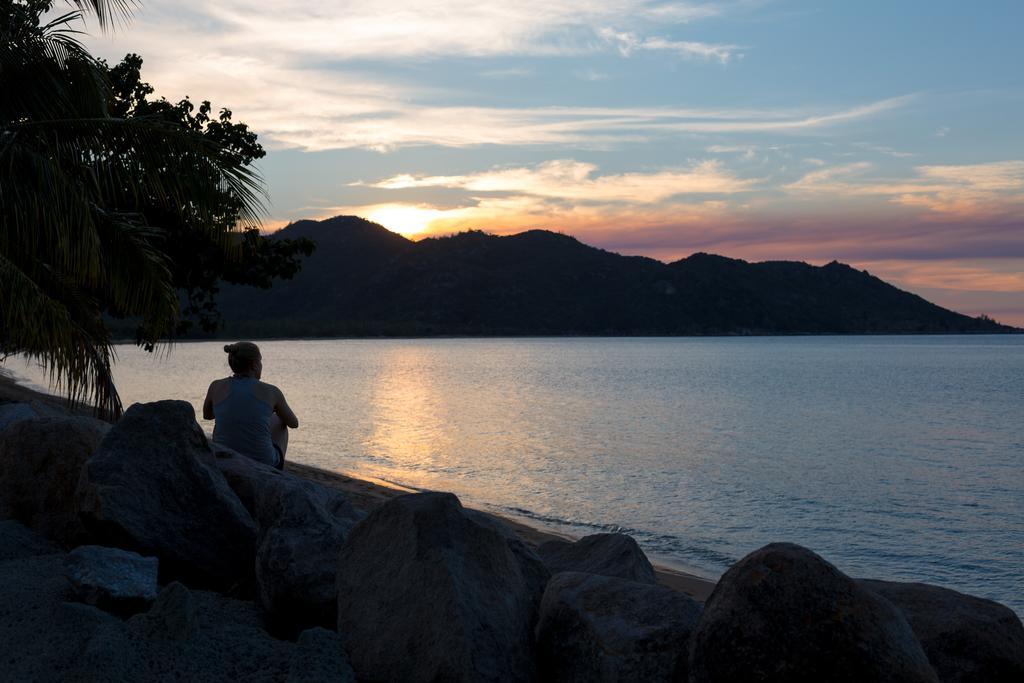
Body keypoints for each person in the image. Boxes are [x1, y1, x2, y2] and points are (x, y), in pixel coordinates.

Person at [203, 342, 298, 469]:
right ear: (254, 365)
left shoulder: (215, 386)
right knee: (279, 420)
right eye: (261, 361)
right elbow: (293, 423)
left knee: (224, 420)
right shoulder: (271, 391)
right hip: (264, 463)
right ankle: (278, 472)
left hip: (224, 460)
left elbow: (208, 415)